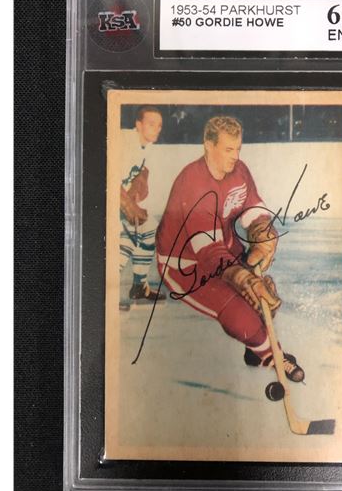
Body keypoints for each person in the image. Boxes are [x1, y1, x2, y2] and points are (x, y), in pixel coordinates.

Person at [155, 116, 304, 381]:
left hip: (223, 249)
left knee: (262, 298)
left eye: (238, 149)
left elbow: (253, 208)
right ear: (208, 145)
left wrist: (262, 234)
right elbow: (209, 255)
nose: (235, 156)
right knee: (240, 314)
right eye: (228, 149)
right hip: (185, 264)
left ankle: (256, 348)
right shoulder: (193, 183)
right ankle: (273, 354)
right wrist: (245, 279)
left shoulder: (239, 170)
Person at [119, 106, 167, 304]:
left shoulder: (147, 146)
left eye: (159, 125)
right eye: (151, 124)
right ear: (138, 125)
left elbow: (138, 180)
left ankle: (139, 286)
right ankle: (105, 291)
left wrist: (138, 188)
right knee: (128, 238)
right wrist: (127, 206)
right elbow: (107, 178)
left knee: (148, 228)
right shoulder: (124, 140)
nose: (157, 129)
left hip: (119, 201)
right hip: (105, 202)